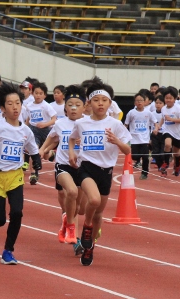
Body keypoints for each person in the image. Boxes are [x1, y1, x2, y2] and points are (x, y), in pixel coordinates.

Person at [0, 82, 42, 265]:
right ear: (2, 108)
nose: (15, 107)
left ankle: (8, 250)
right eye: (10, 104)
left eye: (18, 103)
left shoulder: (25, 130)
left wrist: (36, 161)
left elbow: (32, 149)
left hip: (15, 176)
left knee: (18, 213)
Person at [69, 77, 132, 266]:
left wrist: (117, 141)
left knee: (99, 214)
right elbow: (72, 139)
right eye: (96, 100)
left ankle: (90, 248)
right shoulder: (82, 123)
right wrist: (72, 152)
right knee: (93, 200)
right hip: (86, 167)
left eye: (104, 101)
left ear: (110, 103)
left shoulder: (115, 125)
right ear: (89, 103)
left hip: (106, 171)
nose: (100, 104)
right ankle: (86, 227)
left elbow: (128, 150)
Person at [39, 85, 86, 253]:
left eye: (77, 105)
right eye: (70, 105)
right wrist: (42, 150)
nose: (73, 108)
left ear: (84, 107)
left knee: (79, 208)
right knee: (71, 192)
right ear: (65, 107)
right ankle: (75, 237)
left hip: (82, 167)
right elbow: (52, 139)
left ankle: (67, 219)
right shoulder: (60, 124)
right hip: (63, 165)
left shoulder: (88, 124)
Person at [25, 81, 57, 185]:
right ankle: (34, 173)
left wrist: (45, 124)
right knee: (33, 150)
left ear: (45, 95)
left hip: (46, 130)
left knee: (45, 155)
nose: (38, 95)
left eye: (40, 93)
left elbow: (54, 119)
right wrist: (25, 129)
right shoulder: (29, 106)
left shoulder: (47, 106)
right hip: (34, 130)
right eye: (36, 93)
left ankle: (51, 153)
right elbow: (28, 119)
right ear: (32, 93)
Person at [125, 92, 159, 180]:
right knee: (135, 156)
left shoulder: (148, 113)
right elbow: (126, 124)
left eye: (141, 100)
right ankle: (138, 160)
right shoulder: (131, 113)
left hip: (145, 139)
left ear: (145, 102)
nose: (139, 102)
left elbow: (155, 123)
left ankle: (144, 173)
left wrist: (155, 129)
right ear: (134, 103)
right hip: (134, 139)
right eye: (137, 100)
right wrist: (124, 134)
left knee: (145, 157)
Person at [157, 87, 180, 177]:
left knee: (177, 153)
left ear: (175, 98)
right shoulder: (164, 108)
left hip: (176, 132)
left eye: (170, 98)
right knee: (168, 145)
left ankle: (177, 166)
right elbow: (163, 118)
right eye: (166, 98)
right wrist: (158, 126)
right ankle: (166, 163)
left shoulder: (178, 108)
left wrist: (171, 119)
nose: (168, 100)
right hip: (167, 130)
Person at [151, 95, 165, 171]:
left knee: (162, 152)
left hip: (163, 134)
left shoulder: (165, 113)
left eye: (160, 103)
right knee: (155, 152)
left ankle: (163, 164)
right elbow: (150, 124)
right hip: (155, 135)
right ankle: (160, 166)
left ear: (164, 104)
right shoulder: (152, 113)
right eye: (156, 103)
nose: (158, 105)